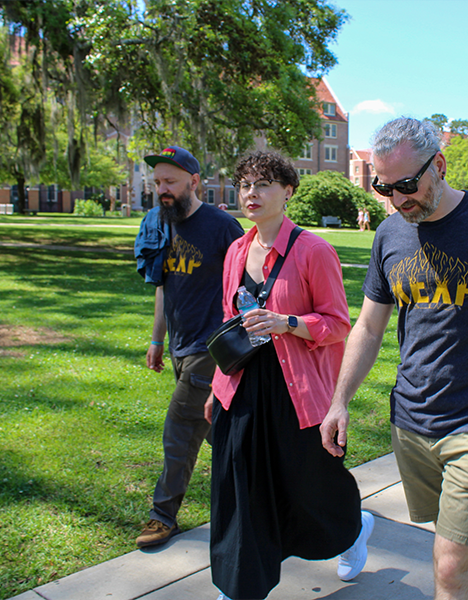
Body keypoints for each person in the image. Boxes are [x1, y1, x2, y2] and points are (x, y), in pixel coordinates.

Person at [320, 118, 468, 600]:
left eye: (407, 185)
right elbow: (368, 326)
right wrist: (339, 401)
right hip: (411, 421)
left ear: (440, 165)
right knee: (461, 555)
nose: (398, 198)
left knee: (448, 565)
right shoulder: (389, 234)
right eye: (386, 188)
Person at [206, 151, 370, 600]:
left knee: (309, 487)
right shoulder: (237, 250)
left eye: (262, 184)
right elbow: (228, 320)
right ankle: (239, 587)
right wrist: (216, 387)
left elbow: (339, 324)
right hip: (240, 388)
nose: (251, 194)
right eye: (244, 185)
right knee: (240, 489)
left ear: (287, 192)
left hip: (294, 393)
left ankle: (354, 530)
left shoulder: (313, 251)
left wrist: (287, 323)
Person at [133, 146, 244, 548]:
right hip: (181, 348)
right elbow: (164, 286)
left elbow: (245, 284)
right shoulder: (160, 224)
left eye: (170, 182)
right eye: (158, 182)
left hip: (212, 349)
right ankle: (281, 495)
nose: (162, 190)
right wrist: (157, 338)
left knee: (179, 429)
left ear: (194, 182)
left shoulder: (220, 226)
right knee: (228, 438)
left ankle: (162, 516)